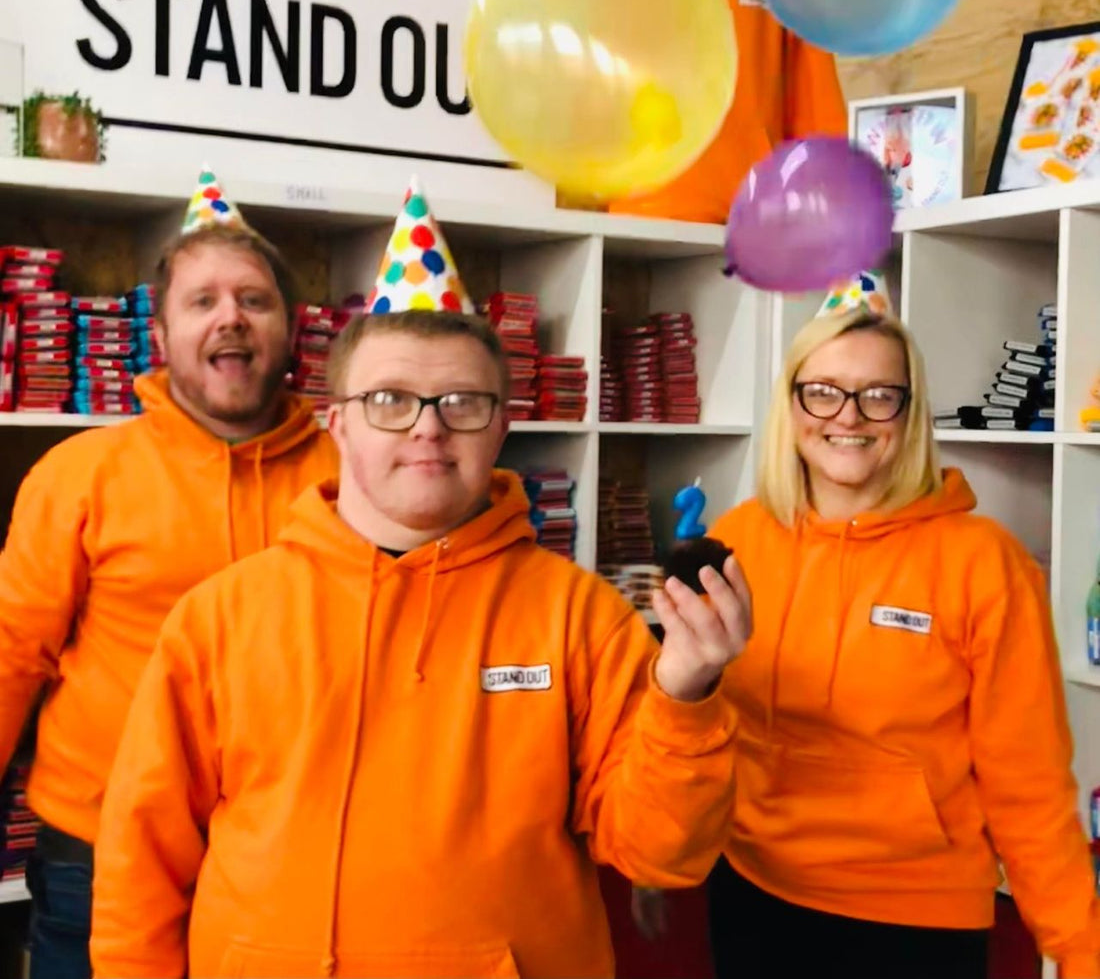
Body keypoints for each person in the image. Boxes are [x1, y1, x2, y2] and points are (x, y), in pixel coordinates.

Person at [90, 308, 753, 979]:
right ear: (338, 423)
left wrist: (685, 694)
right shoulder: (220, 616)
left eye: (462, 402)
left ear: (501, 427)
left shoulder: (580, 615)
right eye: (390, 400)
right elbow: (140, 862)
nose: (428, 425)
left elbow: (658, 853)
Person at [638, 284, 1100, 979]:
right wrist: (655, 847)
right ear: (791, 405)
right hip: (752, 890)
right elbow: (685, 720)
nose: (847, 417)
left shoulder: (984, 563)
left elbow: (1028, 781)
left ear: (909, 413)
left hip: (917, 916)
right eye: (823, 391)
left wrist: (1079, 945)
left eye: (878, 395)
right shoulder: (738, 541)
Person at [0, 178, 337, 979]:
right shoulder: (80, 474)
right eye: (203, 301)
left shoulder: (354, 471)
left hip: (294, 840)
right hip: (98, 843)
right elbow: (12, 651)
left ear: (289, 331)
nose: (231, 317)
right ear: (159, 332)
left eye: (255, 300)